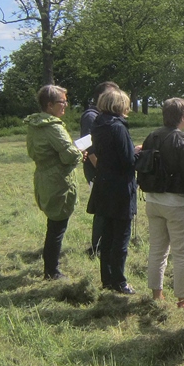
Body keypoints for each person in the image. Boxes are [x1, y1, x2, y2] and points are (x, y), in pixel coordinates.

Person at [143, 98, 184, 311]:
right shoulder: (183, 140)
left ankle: (156, 295)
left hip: (153, 200)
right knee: (183, 254)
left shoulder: (152, 136)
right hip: (178, 203)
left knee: (157, 250)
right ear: (183, 116)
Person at [25, 85, 83, 280]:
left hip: (43, 177)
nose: (65, 105)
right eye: (62, 101)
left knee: (54, 224)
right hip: (57, 180)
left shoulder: (34, 124)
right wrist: (79, 153)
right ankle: (52, 271)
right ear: (49, 105)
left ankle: (50, 266)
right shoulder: (53, 127)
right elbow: (68, 156)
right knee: (57, 226)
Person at [87, 88, 138, 295]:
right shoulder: (118, 127)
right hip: (120, 188)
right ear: (119, 106)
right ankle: (120, 281)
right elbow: (128, 162)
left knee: (107, 236)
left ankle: (107, 279)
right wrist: (139, 154)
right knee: (121, 238)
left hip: (103, 184)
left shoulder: (98, 125)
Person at [80, 81, 119, 257]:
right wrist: (101, 169)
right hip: (96, 169)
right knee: (102, 207)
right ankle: (96, 247)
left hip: (104, 169)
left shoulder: (105, 116)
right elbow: (89, 146)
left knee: (108, 206)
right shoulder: (91, 116)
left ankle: (106, 242)